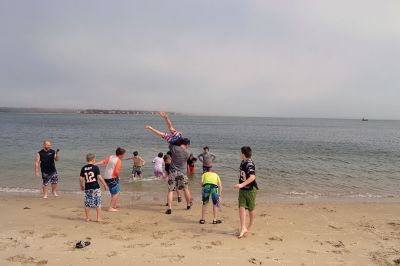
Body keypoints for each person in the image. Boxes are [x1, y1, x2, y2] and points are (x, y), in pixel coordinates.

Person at [234, 146, 258, 238]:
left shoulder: (249, 163)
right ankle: (243, 227)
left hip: (251, 190)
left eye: (240, 152)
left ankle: (250, 226)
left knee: (251, 209)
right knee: (241, 207)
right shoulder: (242, 162)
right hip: (243, 190)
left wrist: (241, 185)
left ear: (243, 154)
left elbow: (252, 177)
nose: (239, 153)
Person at [165, 138, 192, 214]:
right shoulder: (188, 152)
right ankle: (188, 205)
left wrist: (178, 136)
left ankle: (170, 208)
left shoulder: (175, 148)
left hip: (173, 172)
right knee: (186, 189)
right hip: (182, 173)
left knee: (170, 190)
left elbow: (170, 141)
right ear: (188, 144)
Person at [95, 147, 126, 212]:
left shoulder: (112, 157)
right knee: (117, 193)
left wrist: (95, 164)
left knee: (113, 192)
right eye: (124, 154)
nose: (124, 156)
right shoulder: (119, 161)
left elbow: (103, 161)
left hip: (106, 177)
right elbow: (116, 172)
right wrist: (118, 177)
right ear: (121, 154)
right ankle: (110, 208)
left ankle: (114, 205)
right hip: (111, 178)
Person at [79, 153, 107, 222]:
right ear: (93, 160)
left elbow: (80, 178)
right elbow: (99, 177)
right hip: (95, 188)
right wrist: (104, 184)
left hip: (87, 188)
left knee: (87, 203)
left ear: (87, 160)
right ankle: (98, 218)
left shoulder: (83, 168)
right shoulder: (95, 167)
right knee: (98, 202)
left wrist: (81, 185)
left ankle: (87, 218)